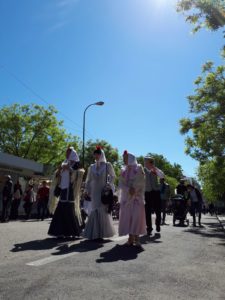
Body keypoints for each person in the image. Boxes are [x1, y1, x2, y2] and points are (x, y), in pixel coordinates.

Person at [48, 147, 84, 238]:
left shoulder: (76, 163)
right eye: (66, 153)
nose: (66, 154)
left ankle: (72, 232)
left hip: (71, 190)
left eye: (68, 153)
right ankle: (59, 232)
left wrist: (70, 169)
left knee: (70, 210)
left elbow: (79, 175)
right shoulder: (64, 162)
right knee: (61, 208)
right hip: (63, 188)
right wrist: (59, 170)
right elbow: (57, 175)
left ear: (72, 153)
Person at [83, 146, 116, 240]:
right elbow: (88, 180)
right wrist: (87, 190)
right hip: (94, 191)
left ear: (101, 155)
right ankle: (94, 233)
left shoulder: (107, 165)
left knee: (102, 210)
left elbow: (113, 176)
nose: (96, 156)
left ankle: (101, 233)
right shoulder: (91, 167)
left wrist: (109, 184)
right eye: (95, 154)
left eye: (98, 154)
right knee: (94, 209)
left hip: (103, 191)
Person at [118, 151, 146, 247]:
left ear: (130, 158)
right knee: (128, 218)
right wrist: (127, 189)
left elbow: (141, 181)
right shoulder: (123, 170)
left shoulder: (139, 168)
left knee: (136, 217)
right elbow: (120, 183)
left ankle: (137, 238)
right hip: (127, 197)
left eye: (125, 158)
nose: (123, 160)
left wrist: (134, 189)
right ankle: (130, 238)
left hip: (136, 198)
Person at [144, 157, 165, 235]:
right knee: (147, 212)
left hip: (156, 192)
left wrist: (155, 168)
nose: (150, 163)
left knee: (158, 211)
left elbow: (162, 176)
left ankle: (158, 224)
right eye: (149, 162)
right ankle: (149, 228)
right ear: (145, 162)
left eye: (152, 162)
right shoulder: (142, 170)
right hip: (147, 192)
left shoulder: (155, 170)